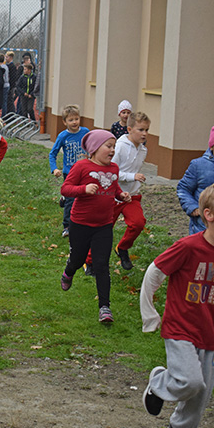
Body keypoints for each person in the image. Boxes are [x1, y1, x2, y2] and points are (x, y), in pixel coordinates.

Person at [140, 182, 214, 428]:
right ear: (209, 215)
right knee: (190, 381)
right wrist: (150, 315)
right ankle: (158, 384)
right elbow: (154, 273)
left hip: (211, 332)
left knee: (201, 393)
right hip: (180, 327)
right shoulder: (188, 246)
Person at [60, 129, 131, 323]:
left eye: (114, 147)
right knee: (78, 258)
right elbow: (65, 189)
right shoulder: (82, 167)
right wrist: (83, 189)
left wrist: (121, 195)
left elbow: (114, 188)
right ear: (94, 148)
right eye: (108, 146)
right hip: (80, 224)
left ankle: (105, 308)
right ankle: (69, 271)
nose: (112, 150)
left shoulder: (114, 169)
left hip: (104, 225)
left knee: (101, 264)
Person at [108, 111, 150, 270]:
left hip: (131, 196)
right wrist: (132, 176)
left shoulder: (143, 150)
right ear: (129, 129)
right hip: (114, 196)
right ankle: (89, 261)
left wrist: (134, 181)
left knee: (138, 223)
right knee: (104, 230)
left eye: (147, 130)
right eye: (140, 130)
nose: (144, 133)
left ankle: (122, 248)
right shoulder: (119, 147)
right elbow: (111, 172)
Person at [49, 104, 89, 237]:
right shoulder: (63, 136)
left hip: (84, 171)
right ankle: (67, 226)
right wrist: (54, 169)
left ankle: (83, 222)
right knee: (71, 199)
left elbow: (92, 148)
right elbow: (52, 154)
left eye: (76, 119)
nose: (74, 122)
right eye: (71, 120)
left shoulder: (85, 132)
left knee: (84, 197)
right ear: (64, 122)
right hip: (69, 173)